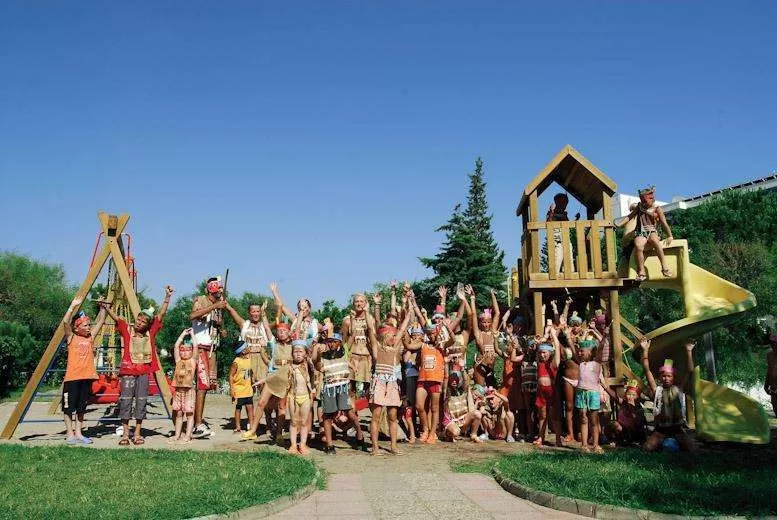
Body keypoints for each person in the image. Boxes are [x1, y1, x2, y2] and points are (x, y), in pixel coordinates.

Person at [102, 285, 172, 446]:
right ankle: (126, 434)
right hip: (128, 371)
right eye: (139, 319)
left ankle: (138, 433)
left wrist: (167, 298)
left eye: (143, 321)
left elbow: (160, 315)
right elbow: (117, 318)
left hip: (143, 372)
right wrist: (106, 308)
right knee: (126, 401)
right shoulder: (127, 330)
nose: (139, 322)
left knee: (141, 401)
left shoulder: (150, 333)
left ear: (148, 325)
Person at [60, 296, 108, 445]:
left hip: (86, 378)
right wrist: (72, 307)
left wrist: (102, 307)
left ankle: (79, 433)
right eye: (86, 325)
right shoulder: (71, 337)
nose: (89, 327)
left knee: (81, 408)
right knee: (68, 408)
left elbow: (101, 321)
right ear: (77, 328)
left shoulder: (90, 338)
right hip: (72, 379)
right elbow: (65, 322)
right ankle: (70, 434)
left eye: (89, 325)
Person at [240, 314, 292, 443]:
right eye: (279, 331)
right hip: (272, 377)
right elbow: (267, 329)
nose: (281, 333)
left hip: (285, 379)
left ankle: (279, 434)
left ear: (289, 333)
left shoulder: (294, 346)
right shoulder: (273, 344)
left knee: (281, 407)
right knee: (261, 403)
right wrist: (263, 315)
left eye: (284, 331)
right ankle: (253, 431)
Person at [312, 333, 366, 454]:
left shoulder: (344, 353)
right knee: (327, 415)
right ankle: (330, 445)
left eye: (335, 341)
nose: (332, 344)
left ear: (340, 343)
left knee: (350, 413)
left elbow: (350, 338)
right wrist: (318, 353)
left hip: (343, 387)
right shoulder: (324, 356)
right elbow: (317, 364)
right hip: (329, 388)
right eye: (330, 341)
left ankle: (359, 433)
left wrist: (354, 368)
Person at [640, 338, 697, 452]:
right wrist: (645, 350)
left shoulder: (678, 389)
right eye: (664, 376)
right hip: (661, 429)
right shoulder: (657, 390)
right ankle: (661, 444)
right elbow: (647, 370)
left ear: (673, 377)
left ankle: (674, 444)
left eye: (669, 376)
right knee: (647, 447)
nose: (666, 378)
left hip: (677, 428)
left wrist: (689, 351)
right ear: (660, 378)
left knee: (692, 449)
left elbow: (690, 371)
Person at [189, 277, 227, 438]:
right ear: (213, 289)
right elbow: (192, 315)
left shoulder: (218, 307)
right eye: (219, 289)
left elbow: (219, 330)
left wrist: (222, 329)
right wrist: (214, 306)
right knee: (201, 386)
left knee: (205, 386)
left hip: (211, 349)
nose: (221, 292)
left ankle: (198, 421)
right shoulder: (201, 300)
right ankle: (197, 424)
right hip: (199, 348)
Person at [615, 186, 674, 282]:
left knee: (656, 242)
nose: (643, 203)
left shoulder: (657, 208)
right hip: (641, 232)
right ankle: (641, 272)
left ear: (651, 199)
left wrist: (670, 236)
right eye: (642, 201)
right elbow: (630, 216)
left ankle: (664, 267)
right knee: (638, 245)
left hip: (652, 231)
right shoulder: (639, 207)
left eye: (645, 201)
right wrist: (619, 224)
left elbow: (664, 223)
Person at [415, 317, 453, 445]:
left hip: (436, 380)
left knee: (434, 408)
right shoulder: (423, 345)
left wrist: (447, 327)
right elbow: (409, 345)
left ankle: (432, 433)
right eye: (429, 334)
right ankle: (425, 430)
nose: (431, 336)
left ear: (437, 333)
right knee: (419, 406)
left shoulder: (442, 345)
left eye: (433, 333)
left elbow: (453, 340)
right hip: (423, 379)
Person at [342, 293, 377, 398]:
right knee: (351, 389)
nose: (359, 303)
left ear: (366, 303)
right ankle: (352, 408)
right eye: (357, 301)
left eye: (362, 301)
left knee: (367, 390)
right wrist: (345, 358)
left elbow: (374, 340)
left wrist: (374, 358)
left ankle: (364, 407)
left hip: (367, 357)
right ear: (353, 304)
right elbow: (344, 342)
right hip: (352, 357)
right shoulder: (347, 320)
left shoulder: (370, 320)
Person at [534, 327, 563, 447]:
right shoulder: (539, 363)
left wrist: (553, 334)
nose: (542, 355)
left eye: (544, 352)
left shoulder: (554, 363)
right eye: (541, 353)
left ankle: (558, 439)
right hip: (541, 394)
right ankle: (541, 437)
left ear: (550, 353)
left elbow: (557, 346)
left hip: (552, 393)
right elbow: (538, 348)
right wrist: (544, 335)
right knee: (542, 415)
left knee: (554, 416)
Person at [441, 365, 483, 443]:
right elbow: (446, 378)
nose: (454, 381)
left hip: (463, 419)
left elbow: (466, 381)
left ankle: (473, 435)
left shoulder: (462, 391)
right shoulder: (446, 392)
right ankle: (447, 434)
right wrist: (446, 364)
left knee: (477, 414)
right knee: (455, 432)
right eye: (452, 379)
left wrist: (463, 369)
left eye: (456, 380)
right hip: (451, 421)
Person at [575, 338, 603, 453]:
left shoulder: (596, 363)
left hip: (593, 393)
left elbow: (600, 349)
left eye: (582, 351)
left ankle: (596, 445)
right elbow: (572, 348)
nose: (579, 353)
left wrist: (605, 336)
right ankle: (584, 445)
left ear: (590, 352)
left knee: (594, 419)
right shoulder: (580, 364)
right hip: (581, 392)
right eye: (579, 351)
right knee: (583, 418)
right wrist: (568, 337)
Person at [287, 340, 314, 455]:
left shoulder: (308, 364)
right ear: (292, 353)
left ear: (306, 353)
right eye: (295, 351)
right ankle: (293, 445)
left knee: (304, 422)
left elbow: (316, 361)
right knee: (293, 422)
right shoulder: (289, 366)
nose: (298, 354)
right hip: (293, 396)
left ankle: (302, 444)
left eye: (300, 351)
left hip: (305, 397)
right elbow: (277, 377)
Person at [170, 330, 196, 444]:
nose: (184, 353)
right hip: (178, 391)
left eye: (188, 350)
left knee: (189, 414)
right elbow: (176, 346)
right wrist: (182, 334)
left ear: (191, 351)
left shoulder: (193, 361)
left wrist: (192, 334)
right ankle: (177, 435)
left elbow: (196, 346)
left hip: (188, 391)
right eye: (182, 350)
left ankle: (188, 435)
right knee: (179, 414)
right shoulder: (178, 361)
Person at [604, 380, 646, 446]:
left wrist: (632, 407)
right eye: (628, 394)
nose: (630, 397)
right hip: (624, 429)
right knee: (613, 424)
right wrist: (606, 387)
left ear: (637, 397)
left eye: (633, 395)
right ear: (625, 395)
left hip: (635, 432)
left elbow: (638, 423)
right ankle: (613, 439)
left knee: (619, 427)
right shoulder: (624, 403)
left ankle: (630, 441)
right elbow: (615, 396)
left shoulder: (639, 408)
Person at [546, 192, 579, 274]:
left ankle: (569, 278)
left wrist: (576, 220)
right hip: (557, 242)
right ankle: (555, 277)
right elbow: (548, 223)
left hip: (566, 241)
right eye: (562, 202)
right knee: (556, 264)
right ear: (556, 202)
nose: (564, 205)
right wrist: (551, 212)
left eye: (565, 203)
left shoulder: (564, 214)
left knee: (570, 266)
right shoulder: (552, 213)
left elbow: (568, 225)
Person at [229, 342, 254, 434]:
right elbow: (231, 375)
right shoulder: (236, 362)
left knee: (250, 407)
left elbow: (251, 373)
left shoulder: (249, 360)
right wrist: (232, 389)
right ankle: (238, 427)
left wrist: (253, 383)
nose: (249, 347)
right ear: (243, 351)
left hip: (248, 389)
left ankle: (252, 427)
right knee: (238, 408)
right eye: (247, 347)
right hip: (239, 389)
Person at [765, 332, 777, 416]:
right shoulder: (770, 355)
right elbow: (769, 370)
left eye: (775, 344)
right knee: (776, 409)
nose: (773, 346)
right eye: (772, 344)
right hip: (773, 388)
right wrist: (766, 385)